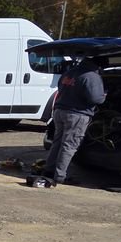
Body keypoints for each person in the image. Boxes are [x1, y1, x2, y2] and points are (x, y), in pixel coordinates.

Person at [33, 57, 106, 188]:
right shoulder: (92, 76)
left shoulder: (70, 72)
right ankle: (60, 176)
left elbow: (60, 87)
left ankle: (49, 170)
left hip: (60, 111)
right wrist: (104, 95)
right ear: (98, 66)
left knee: (58, 142)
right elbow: (96, 98)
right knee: (69, 145)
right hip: (77, 114)